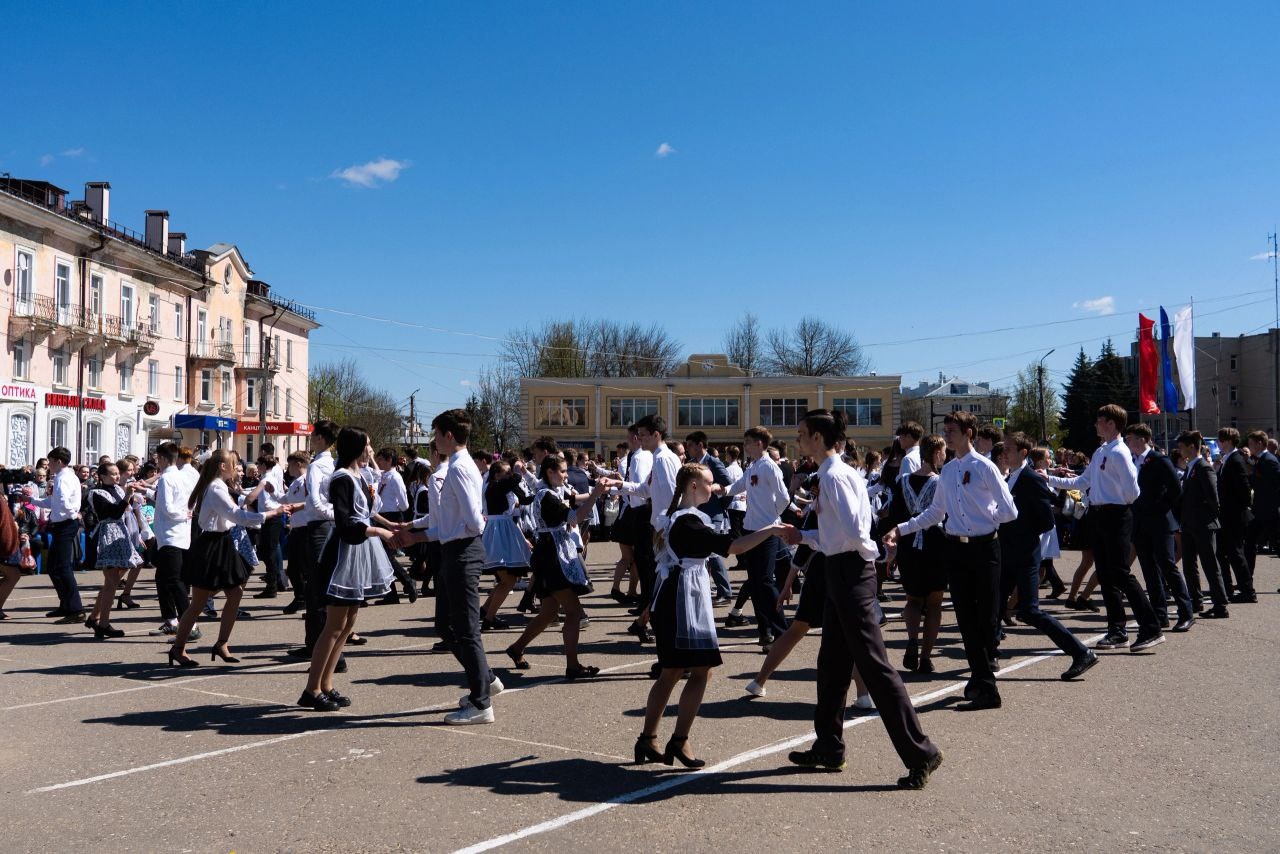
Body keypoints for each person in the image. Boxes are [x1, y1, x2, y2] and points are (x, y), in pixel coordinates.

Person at [787, 410, 943, 789]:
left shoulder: (836, 477)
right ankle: (828, 746)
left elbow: (856, 532)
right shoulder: (831, 474)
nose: (799, 440)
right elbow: (841, 532)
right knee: (832, 664)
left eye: (804, 434)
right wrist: (804, 538)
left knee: (875, 666)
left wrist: (859, 554)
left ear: (821, 439)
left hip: (851, 571)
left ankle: (921, 752)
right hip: (841, 569)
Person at [632, 462, 791, 767]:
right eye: (708, 482)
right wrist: (770, 530)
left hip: (676, 596)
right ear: (693, 486)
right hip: (681, 599)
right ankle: (674, 740)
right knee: (692, 670)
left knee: (675, 671)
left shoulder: (676, 518)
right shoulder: (688, 522)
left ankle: (651, 739)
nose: (713, 487)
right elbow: (731, 547)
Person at [887, 410, 1016, 711]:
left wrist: (988, 520)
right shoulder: (947, 471)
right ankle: (981, 680)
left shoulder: (984, 466)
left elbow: (1009, 510)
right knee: (965, 619)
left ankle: (986, 686)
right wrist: (901, 528)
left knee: (985, 618)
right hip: (955, 550)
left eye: (952, 430)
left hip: (985, 549)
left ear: (969, 432)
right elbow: (935, 513)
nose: (946, 435)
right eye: (945, 430)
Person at [400, 409, 501, 725]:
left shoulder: (458, 469)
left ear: (448, 436)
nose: (433, 441)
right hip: (453, 550)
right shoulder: (458, 465)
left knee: (467, 630)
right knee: (445, 626)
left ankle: (481, 702)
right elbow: (451, 524)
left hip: (462, 553)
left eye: (436, 434)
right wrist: (415, 537)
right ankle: (486, 680)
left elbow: (472, 521)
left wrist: (422, 536)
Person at [1045, 406, 1164, 652]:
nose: (1096, 425)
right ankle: (1117, 629)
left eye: (1100, 421)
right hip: (1099, 515)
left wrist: (1117, 502)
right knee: (1106, 575)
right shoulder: (1101, 451)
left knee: (1120, 573)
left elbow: (1133, 489)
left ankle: (1151, 627)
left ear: (1111, 424)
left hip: (1116, 515)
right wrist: (1049, 478)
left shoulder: (1120, 452)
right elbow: (1082, 481)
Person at [299, 428, 397, 711]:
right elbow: (345, 522)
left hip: (357, 553)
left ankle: (326, 684)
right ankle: (312, 688)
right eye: (367, 445)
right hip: (342, 556)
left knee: (348, 623)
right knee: (334, 625)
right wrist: (379, 531)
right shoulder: (341, 478)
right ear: (356, 447)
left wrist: (393, 525)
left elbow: (364, 512)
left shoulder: (358, 476)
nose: (371, 450)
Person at [167, 450, 289, 667]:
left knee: (235, 593)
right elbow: (236, 515)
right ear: (223, 466)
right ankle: (178, 648)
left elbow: (239, 504)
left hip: (221, 543)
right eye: (234, 463)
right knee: (198, 603)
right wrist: (272, 513)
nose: (238, 467)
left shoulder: (219, 485)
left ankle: (221, 643)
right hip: (211, 546)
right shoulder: (215, 487)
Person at [1000, 433, 1098, 680]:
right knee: (995, 603)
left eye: (1009, 449)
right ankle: (985, 657)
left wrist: (1018, 528)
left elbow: (1045, 521)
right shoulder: (1010, 476)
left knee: (1029, 611)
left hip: (1025, 552)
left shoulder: (1031, 479)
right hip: (1009, 552)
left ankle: (1081, 652)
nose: (1004, 452)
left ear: (1023, 453)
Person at [504, 455, 610, 679]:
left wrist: (608, 488)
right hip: (552, 555)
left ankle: (516, 648)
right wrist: (595, 495)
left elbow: (573, 499)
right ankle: (573, 665)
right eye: (562, 471)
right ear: (550, 472)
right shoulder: (547, 496)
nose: (565, 475)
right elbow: (575, 517)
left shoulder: (551, 492)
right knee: (573, 612)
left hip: (550, 552)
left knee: (549, 611)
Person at [613, 414, 682, 645]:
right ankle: (645, 625)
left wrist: (667, 526)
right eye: (638, 435)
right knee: (659, 586)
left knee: (662, 587)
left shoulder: (663, 459)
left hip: (666, 530)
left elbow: (675, 495)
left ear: (656, 434)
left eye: (643, 435)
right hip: (662, 529)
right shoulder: (658, 458)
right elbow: (645, 490)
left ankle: (664, 643)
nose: (639, 439)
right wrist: (618, 484)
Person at [723, 426, 791, 649]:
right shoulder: (752, 465)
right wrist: (720, 490)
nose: (745, 446)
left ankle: (781, 629)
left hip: (767, 531)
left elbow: (784, 497)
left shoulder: (770, 466)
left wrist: (773, 519)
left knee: (764, 581)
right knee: (756, 582)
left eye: (748, 442)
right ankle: (765, 631)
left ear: (759, 444)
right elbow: (739, 485)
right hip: (751, 530)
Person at [1124, 424, 1194, 632]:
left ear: (1143, 440)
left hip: (1160, 522)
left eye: (1131, 438)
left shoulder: (1158, 459)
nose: (1128, 442)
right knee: (1149, 570)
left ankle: (1186, 613)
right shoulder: (1131, 460)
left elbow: (1175, 490)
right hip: (1140, 523)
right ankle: (1160, 615)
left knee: (1167, 566)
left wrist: (1158, 509)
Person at [888, 433, 947, 674]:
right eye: (943, 452)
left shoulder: (902, 481)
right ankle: (926, 656)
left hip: (908, 542)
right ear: (935, 453)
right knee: (934, 603)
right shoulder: (942, 481)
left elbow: (894, 516)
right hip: (935, 543)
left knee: (913, 599)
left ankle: (912, 640)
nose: (945, 456)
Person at [290, 421, 341, 664]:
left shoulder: (319, 466)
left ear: (321, 438)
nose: (310, 438)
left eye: (313, 435)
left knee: (318, 590)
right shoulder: (332, 463)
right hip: (324, 526)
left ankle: (327, 652)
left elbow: (319, 504)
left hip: (319, 528)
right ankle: (314, 645)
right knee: (315, 590)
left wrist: (334, 514)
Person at [83, 462, 145, 639]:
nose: (117, 477)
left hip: (122, 534)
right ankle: (103, 624)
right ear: (102, 477)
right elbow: (113, 513)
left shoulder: (118, 489)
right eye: (113, 474)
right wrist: (127, 497)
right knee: (111, 582)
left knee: (114, 579)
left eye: (118, 473)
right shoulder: (96, 493)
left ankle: (94, 618)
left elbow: (128, 512)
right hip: (107, 535)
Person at [27, 446, 84, 622]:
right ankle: (65, 604)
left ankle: (75, 609)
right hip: (63, 524)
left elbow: (64, 502)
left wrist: (72, 513)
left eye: (50, 462)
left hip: (66, 524)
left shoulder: (63, 478)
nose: (48, 465)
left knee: (62, 567)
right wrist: (32, 500)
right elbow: (54, 501)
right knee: (54, 567)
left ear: (58, 461)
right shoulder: (62, 477)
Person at [1176, 431, 1229, 619]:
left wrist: (1208, 519)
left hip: (1204, 525)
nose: (1179, 450)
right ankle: (1196, 601)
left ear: (1191, 446)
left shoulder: (1203, 467)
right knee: (1189, 566)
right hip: (1189, 525)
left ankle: (1220, 605)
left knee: (1210, 566)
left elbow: (1214, 500)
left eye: (1182, 446)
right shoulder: (1191, 467)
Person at [479, 459, 533, 630]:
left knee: (507, 578)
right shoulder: (494, 486)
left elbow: (525, 499)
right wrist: (517, 470)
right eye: (506, 471)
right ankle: (489, 618)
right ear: (496, 474)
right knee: (508, 580)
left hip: (507, 530)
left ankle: (486, 610)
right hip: (497, 532)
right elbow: (513, 481)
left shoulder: (504, 486)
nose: (509, 474)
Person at [684, 431, 734, 604]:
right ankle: (705, 588)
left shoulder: (713, 462)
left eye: (690, 445)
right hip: (696, 513)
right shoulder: (690, 464)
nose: (687, 448)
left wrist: (721, 506)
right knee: (701, 552)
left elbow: (728, 485)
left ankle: (725, 592)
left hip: (713, 513)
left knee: (713, 552)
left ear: (700, 445)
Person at [608, 426, 651, 605]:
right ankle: (624, 590)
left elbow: (638, 488)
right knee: (632, 558)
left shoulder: (638, 457)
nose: (627, 441)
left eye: (628, 437)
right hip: (631, 513)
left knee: (631, 558)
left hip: (633, 513)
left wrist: (617, 485)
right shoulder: (638, 457)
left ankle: (628, 591)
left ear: (635, 438)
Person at [1214, 428, 1255, 603]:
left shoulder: (1236, 459)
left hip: (1234, 516)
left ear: (1229, 441)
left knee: (1236, 553)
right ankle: (1227, 587)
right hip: (1226, 515)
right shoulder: (1228, 459)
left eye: (1220, 441)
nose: (1218, 444)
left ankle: (1247, 591)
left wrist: (1236, 508)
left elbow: (1244, 491)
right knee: (1222, 552)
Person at [373, 446, 418, 605]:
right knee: (382, 556)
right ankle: (391, 593)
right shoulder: (382, 476)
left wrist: (395, 511)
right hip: (381, 517)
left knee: (387, 555)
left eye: (380, 460)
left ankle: (407, 582)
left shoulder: (396, 477)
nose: (377, 462)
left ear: (389, 460)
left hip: (392, 516)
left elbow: (405, 503)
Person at [1244, 429, 1279, 595]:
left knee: (1277, 545)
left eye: (1251, 443)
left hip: (1270, 512)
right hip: (1260, 511)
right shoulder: (1260, 460)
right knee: (1249, 544)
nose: (1249, 446)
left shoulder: (1269, 460)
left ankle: (1246, 581)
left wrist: (1252, 475)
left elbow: (1273, 485)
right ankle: (1246, 581)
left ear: (1259, 444)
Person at [252, 452, 288, 599]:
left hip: (271, 517)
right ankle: (273, 583)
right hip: (272, 516)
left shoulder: (267, 480)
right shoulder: (267, 478)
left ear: (264, 466)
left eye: (259, 464)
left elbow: (267, 501)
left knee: (269, 552)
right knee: (269, 551)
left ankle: (273, 585)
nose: (257, 467)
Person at [280, 452, 311, 614]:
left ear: (298, 464)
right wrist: (272, 492)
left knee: (304, 568)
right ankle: (301, 597)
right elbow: (286, 499)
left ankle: (306, 599)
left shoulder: (307, 480)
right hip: (296, 528)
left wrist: (297, 506)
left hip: (306, 528)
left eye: (290, 464)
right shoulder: (295, 482)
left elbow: (312, 501)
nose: (288, 468)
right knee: (293, 568)